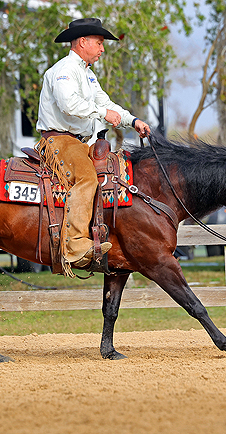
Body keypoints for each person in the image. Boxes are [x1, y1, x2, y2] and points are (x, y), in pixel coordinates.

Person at [36, 18, 151, 274]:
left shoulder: (87, 74)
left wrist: (132, 121)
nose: (102, 49)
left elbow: (107, 104)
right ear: (82, 42)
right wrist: (103, 112)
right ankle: (75, 245)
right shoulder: (64, 70)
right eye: (99, 43)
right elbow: (70, 105)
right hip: (60, 140)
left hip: (80, 141)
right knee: (87, 178)